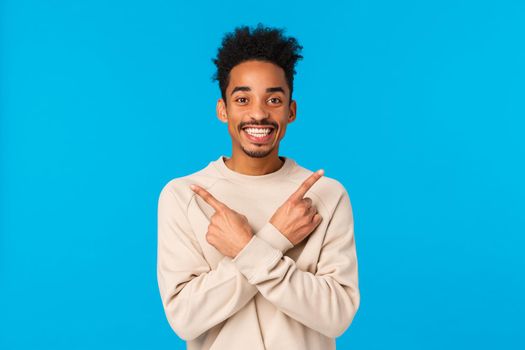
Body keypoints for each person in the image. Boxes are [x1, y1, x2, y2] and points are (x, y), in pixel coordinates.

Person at [157, 23, 360, 350]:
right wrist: (274, 238)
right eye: (242, 98)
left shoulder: (327, 195)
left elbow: (337, 315)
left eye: (274, 99)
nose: (258, 113)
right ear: (223, 109)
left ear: (291, 111)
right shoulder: (183, 196)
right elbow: (185, 318)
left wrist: (246, 250)